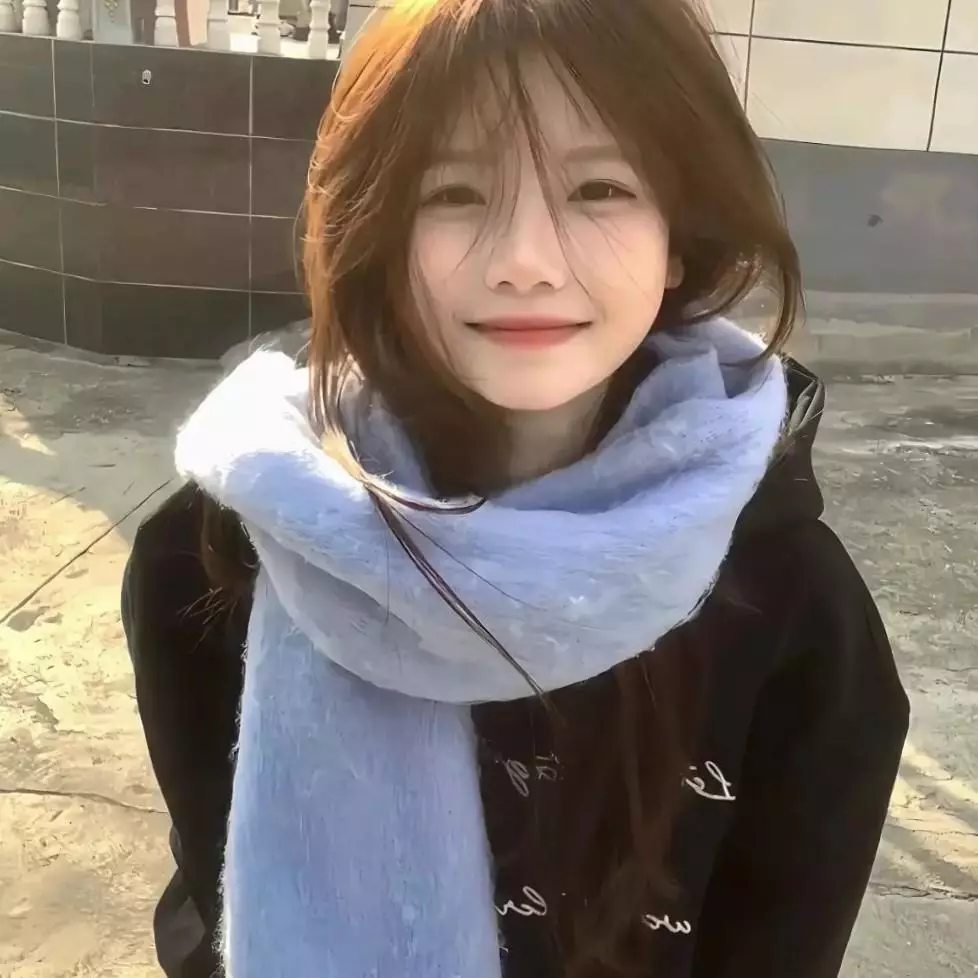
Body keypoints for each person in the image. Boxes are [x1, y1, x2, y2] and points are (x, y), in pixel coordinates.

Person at [121, 1, 910, 976]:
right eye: (456, 192)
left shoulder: (791, 605)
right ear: (379, 229)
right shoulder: (222, 550)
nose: (526, 262)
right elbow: (218, 904)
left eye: (599, 188)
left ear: (679, 233)